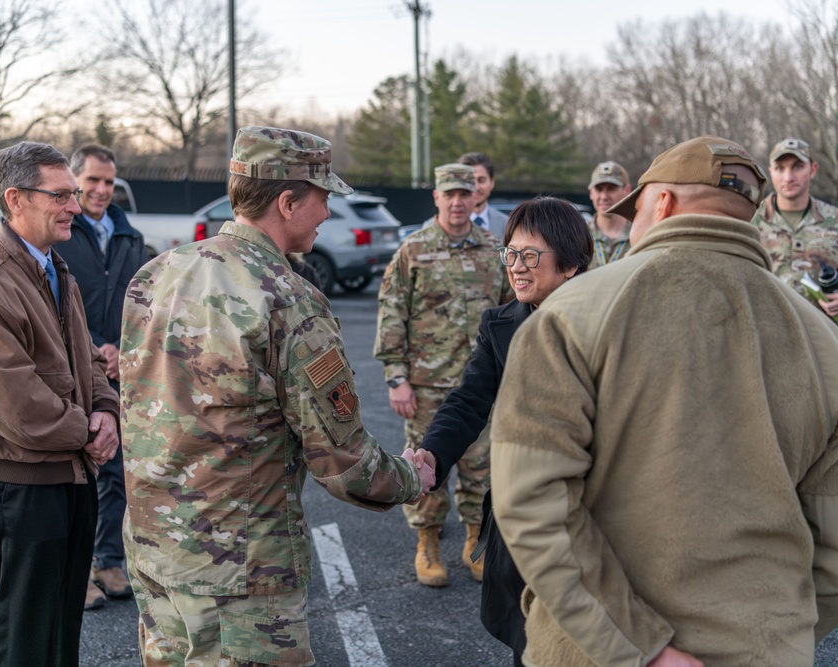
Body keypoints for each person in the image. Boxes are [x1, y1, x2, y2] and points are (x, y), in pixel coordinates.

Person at [491, 136, 838, 667]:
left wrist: (642, 648)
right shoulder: (833, 351)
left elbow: (532, 504)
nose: (630, 226)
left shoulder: (570, 314)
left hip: (594, 653)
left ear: (664, 204)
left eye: (635, 211)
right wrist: (768, 639)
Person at [119, 125, 433, 667]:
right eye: (323, 199)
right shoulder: (287, 299)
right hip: (239, 569)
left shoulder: (157, 274)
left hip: (153, 547)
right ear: (287, 202)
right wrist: (411, 478)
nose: (328, 213)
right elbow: (341, 457)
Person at [0, 141, 119, 666]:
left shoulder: (55, 270)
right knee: (27, 637)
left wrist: (107, 410)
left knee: (61, 631)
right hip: (21, 487)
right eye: (61, 195)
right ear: (15, 199)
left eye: (74, 193)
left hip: (71, 473)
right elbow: (17, 406)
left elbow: (89, 362)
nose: (76, 206)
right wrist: (91, 431)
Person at [415, 197, 592, 665]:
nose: (516, 266)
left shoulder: (605, 324)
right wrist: (433, 455)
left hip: (588, 518)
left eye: (530, 255)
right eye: (510, 253)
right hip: (520, 512)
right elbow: (469, 399)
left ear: (571, 263)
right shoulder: (500, 324)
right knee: (525, 637)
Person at [375, 162, 512, 587]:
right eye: (448, 194)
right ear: (436, 197)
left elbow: (512, 314)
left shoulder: (495, 249)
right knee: (427, 467)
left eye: (464, 194)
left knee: (480, 469)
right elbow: (392, 312)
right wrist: (397, 378)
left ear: (476, 198)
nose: (457, 202)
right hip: (426, 386)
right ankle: (428, 543)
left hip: (481, 385)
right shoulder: (413, 250)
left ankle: (476, 540)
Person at [53, 144, 149, 610]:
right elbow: (54, 308)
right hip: (71, 373)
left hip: (121, 374)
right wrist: (95, 349)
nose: (101, 190)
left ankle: (108, 560)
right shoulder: (61, 234)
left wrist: (123, 351)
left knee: (117, 473)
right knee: (77, 474)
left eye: (109, 182)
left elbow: (144, 308)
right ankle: (76, 574)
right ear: (74, 181)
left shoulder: (130, 237)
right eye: (92, 180)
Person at [752, 137, 838, 319]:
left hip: (820, 337)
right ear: (771, 172)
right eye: (780, 168)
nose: (788, 177)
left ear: (813, 169)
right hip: (764, 336)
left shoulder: (837, 221)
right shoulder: (750, 219)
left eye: (797, 167)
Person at [420, 152, 508, 239]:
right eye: (470, 182)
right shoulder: (430, 228)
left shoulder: (507, 225)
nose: (476, 187)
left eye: (481, 180)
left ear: (492, 183)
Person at [586, 160, 632, 269]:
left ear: (627, 190)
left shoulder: (640, 236)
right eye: (599, 189)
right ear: (591, 193)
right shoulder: (578, 236)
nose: (604, 196)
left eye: (611, 188)